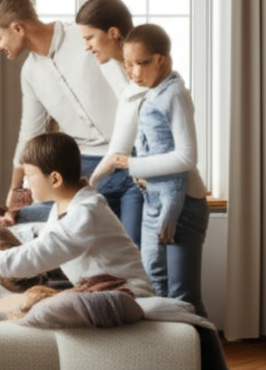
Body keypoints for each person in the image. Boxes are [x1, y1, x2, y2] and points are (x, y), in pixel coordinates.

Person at [0, 131, 154, 298]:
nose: (26, 186)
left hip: (128, 295)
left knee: (42, 306)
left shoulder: (86, 212)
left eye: (29, 176)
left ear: (55, 178)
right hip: (104, 290)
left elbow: (28, 259)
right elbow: (42, 240)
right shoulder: (64, 206)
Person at [90, 23, 211, 319]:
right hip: (156, 201)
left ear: (162, 60)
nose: (133, 72)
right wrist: (88, 184)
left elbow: (186, 156)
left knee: (183, 297)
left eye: (141, 64)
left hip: (185, 205)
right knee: (156, 286)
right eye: (128, 64)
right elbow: (118, 151)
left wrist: (133, 165)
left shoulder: (174, 94)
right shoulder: (147, 92)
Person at [0, 0, 117, 223]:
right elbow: (30, 132)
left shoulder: (85, 38)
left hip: (123, 153)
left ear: (17, 28)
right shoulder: (30, 73)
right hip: (81, 163)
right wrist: (14, 190)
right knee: (32, 217)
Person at [75, 0, 144, 246]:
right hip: (128, 166)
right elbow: (122, 138)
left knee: (142, 259)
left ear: (113, 32)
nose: (86, 47)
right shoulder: (109, 66)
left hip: (150, 175)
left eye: (90, 38)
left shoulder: (145, 74)